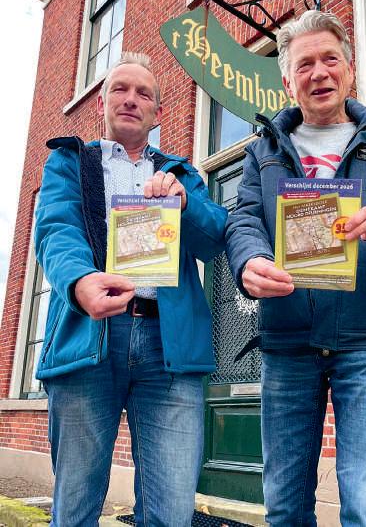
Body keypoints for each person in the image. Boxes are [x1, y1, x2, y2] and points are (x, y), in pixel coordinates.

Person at [225, 11, 366, 526]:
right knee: (284, 506)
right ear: (288, 82)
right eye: (304, 64)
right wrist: (249, 260)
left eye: (330, 59)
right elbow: (244, 219)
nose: (319, 73)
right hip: (288, 341)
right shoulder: (263, 150)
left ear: (349, 69)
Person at [35, 52, 227, 527]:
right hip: (90, 338)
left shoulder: (182, 174)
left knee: (172, 511)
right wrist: (80, 282)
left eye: (143, 93)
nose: (130, 99)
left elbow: (213, 240)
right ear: (101, 102)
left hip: (169, 345)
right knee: (75, 506)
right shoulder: (69, 163)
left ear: (157, 113)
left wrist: (186, 205)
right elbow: (56, 230)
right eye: (119, 89)